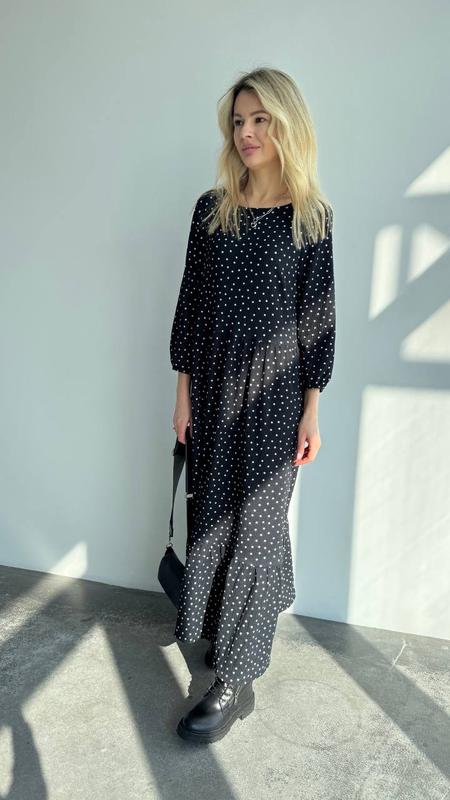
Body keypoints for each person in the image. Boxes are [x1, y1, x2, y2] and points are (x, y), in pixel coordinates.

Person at [169, 67, 336, 744]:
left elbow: (317, 322)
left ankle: (235, 682)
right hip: (212, 391)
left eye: (260, 119)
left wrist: (311, 409)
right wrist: (182, 396)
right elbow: (190, 306)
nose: (246, 133)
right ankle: (229, 629)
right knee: (214, 520)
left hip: (275, 399)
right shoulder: (211, 210)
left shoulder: (311, 218)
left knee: (258, 532)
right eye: (239, 121)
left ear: (286, 123)